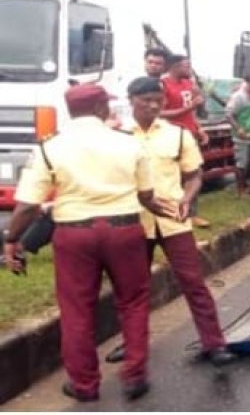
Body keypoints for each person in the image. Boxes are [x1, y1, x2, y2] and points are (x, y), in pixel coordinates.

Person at [2, 84, 173, 402]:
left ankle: (85, 385)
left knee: (77, 309)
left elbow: (27, 206)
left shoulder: (49, 147)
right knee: (133, 302)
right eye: (106, 104)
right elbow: (146, 194)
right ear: (98, 108)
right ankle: (135, 376)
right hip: (124, 230)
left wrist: (12, 240)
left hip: (74, 234)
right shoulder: (128, 143)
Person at [104, 77, 235, 367]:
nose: (153, 105)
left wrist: (188, 198)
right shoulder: (116, 135)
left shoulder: (178, 135)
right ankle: (132, 342)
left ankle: (214, 343)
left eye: (158, 100)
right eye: (145, 100)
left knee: (193, 282)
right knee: (131, 288)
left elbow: (193, 175)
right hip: (132, 221)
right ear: (130, 100)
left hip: (174, 219)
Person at [161, 54, 210, 227]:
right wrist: (190, 106)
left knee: (195, 174)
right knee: (176, 177)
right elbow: (160, 113)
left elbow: (192, 113)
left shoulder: (188, 84)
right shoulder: (164, 85)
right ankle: (174, 211)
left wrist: (200, 129)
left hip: (190, 135)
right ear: (174, 67)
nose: (189, 69)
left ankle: (191, 213)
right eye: (186, 66)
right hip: (172, 136)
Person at [226, 69, 250, 196]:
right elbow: (229, 115)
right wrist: (239, 129)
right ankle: (241, 190)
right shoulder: (239, 97)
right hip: (242, 137)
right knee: (242, 165)